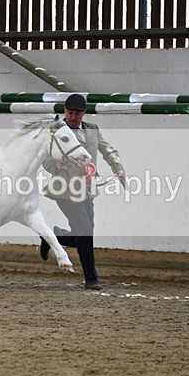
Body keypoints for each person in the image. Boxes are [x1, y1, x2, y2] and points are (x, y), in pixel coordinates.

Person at [39, 93, 126, 290]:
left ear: (84, 114)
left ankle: (54, 237)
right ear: (64, 112)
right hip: (64, 189)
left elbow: (107, 149)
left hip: (87, 189)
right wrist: (56, 164)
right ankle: (91, 278)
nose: (72, 117)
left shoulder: (92, 130)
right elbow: (44, 158)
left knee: (85, 234)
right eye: (69, 113)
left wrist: (118, 168)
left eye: (77, 113)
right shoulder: (55, 131)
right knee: (85, 232)